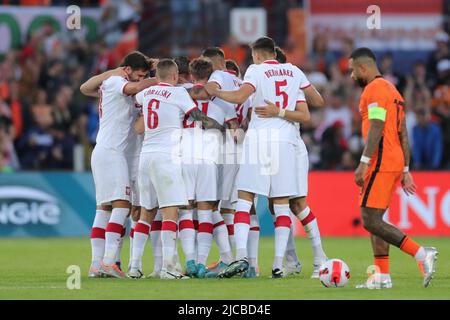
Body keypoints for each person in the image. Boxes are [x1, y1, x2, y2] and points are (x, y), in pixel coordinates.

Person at [205, 37, 310, 278]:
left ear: (258, 55)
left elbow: (241, 96)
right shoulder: (294, 71)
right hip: (285, 142)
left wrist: (217, 92)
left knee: (244, 199)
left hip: (259, 140)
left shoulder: (256, 70)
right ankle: (278, 264)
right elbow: (312, 102)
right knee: (281, 204)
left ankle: (241, 256)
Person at [348, 47, 438, 289]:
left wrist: (363, 162)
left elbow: (376, 125)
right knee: (376, 217)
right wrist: (406, 168)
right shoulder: (393, 91)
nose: (351, 76)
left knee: (369, 219)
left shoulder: (375, 89)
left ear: (363, 68)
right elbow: (402, 131)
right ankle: (382, 277)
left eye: (352, 70)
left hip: (380, 161)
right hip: (394, 160)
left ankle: (421, 253)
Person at [133, 59, 225, 279]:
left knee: (146, 212)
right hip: (167, 157)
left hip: (145, 156)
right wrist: (217, 125)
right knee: (171, 213)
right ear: (175, 76)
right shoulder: (179, 94)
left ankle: (134, 267)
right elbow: (196, 116)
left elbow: (137, 98)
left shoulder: (147, 93)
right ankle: (168, 268)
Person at [80, 51, 155, 278]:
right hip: (111, 152)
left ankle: (95, 264)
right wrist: (159, 78)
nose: (140, 80)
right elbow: (129, 88)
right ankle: (109, 261)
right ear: (127, 70)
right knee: (122, 205)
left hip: (109, 151)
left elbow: (133, 89)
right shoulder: (115, 81)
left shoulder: (125, 84)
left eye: (144, 76)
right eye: (138, 75)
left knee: (104, 208)